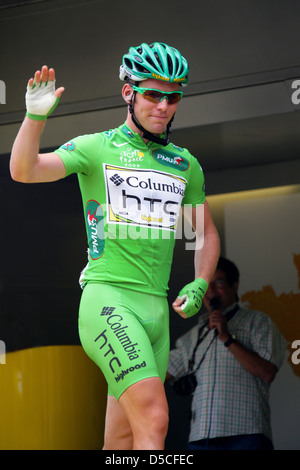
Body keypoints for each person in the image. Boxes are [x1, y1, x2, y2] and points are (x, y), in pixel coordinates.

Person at [9, 42, 220, 450]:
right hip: (109, 302)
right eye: (153, 94)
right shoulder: (96, 147)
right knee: (155, 421)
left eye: (173, 96)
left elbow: (204, 233)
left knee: (122, 439)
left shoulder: (184, 164)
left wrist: (200, 282)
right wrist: (35, 117)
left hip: (156, 311)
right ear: (129, 93)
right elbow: (24, 170)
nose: (163, 105)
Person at [167, 256, 287, 450]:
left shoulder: (257, 322)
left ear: (234, 286)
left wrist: (228, 338)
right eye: (205, 286)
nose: (211, 291)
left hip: (247, 435)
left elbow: (267, 373)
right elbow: (159, 373)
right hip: (201, 438)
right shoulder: (193, 336)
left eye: (219, 282)